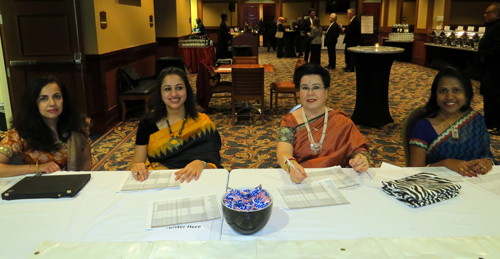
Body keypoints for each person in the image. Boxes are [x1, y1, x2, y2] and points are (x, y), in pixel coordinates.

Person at [277, 63, 370, 184]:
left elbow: (359, 150)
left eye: (316, 87)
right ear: (299, 91)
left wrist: (360, 159)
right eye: (305, 88)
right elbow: (283, 152)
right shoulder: (290, 121)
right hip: (303, 179)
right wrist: (292, 167)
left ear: (326, 91)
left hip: (337, 181)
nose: (310, 93)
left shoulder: (341, 121)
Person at [131, 67, 222, 183]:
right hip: (160, 182)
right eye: (167, 89)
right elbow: (137, 163)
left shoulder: (203, 123)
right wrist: (137, 167)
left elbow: (213, 161)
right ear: (160, 93)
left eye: (179, 88)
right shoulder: (147, 123)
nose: (174, 94)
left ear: (187, 91)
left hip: (195, 180)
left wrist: (202, 163)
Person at [409, 66, 497, 177]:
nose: (449, 97)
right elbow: (414, 172)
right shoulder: (423, 126)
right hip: (437, 186)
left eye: (456, 90)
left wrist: (487, 162)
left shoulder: (476, 119)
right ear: (435, 95)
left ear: (466, 94)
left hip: (476, 182)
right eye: (443, 91)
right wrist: (445, 163)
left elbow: (487, 155)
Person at [0, 76, 92, 177]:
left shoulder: (76, 126)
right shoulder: (21, 133)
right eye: (43, 98)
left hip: (71, 185)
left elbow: (86, 163)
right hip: (37, 186)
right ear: (33, 102)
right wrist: (37, 168)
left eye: (57, 96)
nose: (52, 103)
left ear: (64, 100)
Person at [478, 2, 500, 135]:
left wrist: (484, 56)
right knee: (488, 94)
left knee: (494, 95)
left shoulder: (498, 27)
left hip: (496, 68)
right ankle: (490, 122)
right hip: (491, 67)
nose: (485, 15)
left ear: (496, 14)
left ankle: (495, 124)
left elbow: (497, 48)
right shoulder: (492, 26)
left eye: (488, 12)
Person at [340, 8, 361, 72]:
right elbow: (350, 28)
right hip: (350, 41)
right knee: (347, 54)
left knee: (351, 55)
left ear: (351, 14)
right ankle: (348, 66)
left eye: (348, 13)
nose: (347, 15)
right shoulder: (352, 21)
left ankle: (351, 67)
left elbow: (353, 31)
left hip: (352, 41)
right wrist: (343, 26)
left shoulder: (355, 21)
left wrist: (345, 30)